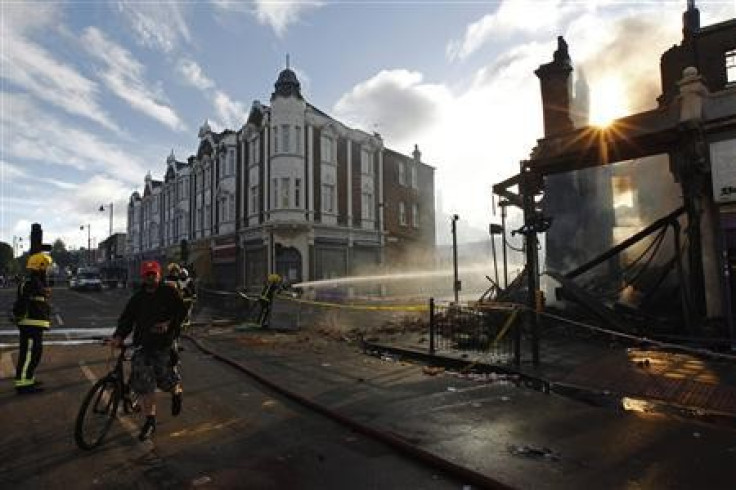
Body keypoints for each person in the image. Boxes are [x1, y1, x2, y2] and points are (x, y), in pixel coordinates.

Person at [111, 260, 187, 441]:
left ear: (159, 275)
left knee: (165, 382)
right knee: (146, 385)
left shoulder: (169, 292)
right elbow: (127, 318)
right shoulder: (138, 298)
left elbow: (181, 313)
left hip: (163, 345)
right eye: (147, 275)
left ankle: (177, 392)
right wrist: (119, 336)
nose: (150, 278)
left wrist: (168, 324)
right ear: (143, 276)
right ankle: (150, 421)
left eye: (153, 274)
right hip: (143, 345)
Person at [13, 252, 53, 394]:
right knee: (29, 353)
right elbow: (23, 302)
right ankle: (23, 384)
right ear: (39, 267)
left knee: (34, 353)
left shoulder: (36, 282)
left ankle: (28, 378)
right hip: (30, 325)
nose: (47, 269)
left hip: (35, 325)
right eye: (46, 266)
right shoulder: (30, 283)